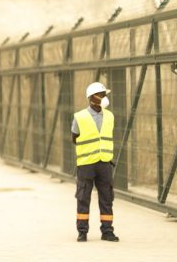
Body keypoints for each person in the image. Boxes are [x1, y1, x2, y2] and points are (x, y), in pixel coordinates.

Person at [71, 81, 119, 242]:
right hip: (86, 164)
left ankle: (107, 231)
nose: (105, 98)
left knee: (107, 197)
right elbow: (74, 138)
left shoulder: (110, 116)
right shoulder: (80, 117)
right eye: (102, 95)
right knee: (83, 197)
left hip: (104, 163)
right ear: (92, 98)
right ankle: (82, 231)